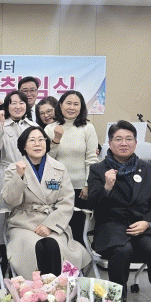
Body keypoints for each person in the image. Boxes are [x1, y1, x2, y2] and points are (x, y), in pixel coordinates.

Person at [87, 120, 151, 302]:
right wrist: (107, 186)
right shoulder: (98, 169)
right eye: (118, 139)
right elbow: (93, 203)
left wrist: (147, 222)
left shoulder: (148, 169)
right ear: (110, 143)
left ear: (136, 143)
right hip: (111, 227)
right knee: (121, 251)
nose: (123, 143)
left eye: (128, 139)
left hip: (143, 227)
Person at [2, 126, 90, 277]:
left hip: (53, 222)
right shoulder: (13, 169)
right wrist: (19, 176)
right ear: (23, 145)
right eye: (32, 140)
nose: (37, 144)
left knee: (53, 244)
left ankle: (57, 289)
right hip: (23, 224)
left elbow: (67, 202)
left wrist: (49, 226)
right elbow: (10, 201)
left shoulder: (59, 168)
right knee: (35, 246)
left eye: (41, 140)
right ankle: (34, 289)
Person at [0, 90, 37, 268]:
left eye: (21, 103)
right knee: (1, 217)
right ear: (7, 106)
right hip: (3, 175)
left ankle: (20, 261)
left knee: (23, 215)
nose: (17, 106)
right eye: (13, 103)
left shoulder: (33, 126)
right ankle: (0, 261)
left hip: (28, 176)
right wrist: (0, 124)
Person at [44, 90, 98, 243]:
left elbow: (92, 159)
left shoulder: (88, 128)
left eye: (76, 104)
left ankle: (78, 258)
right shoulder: (50, 128)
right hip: (55, 187)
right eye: (68, 103)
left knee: (78, 231)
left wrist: (87, 184)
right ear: (60, 105)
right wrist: (56, 139)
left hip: (80, 189)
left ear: (81, 107)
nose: (72, 107)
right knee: (56, 229)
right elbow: (46, 160)